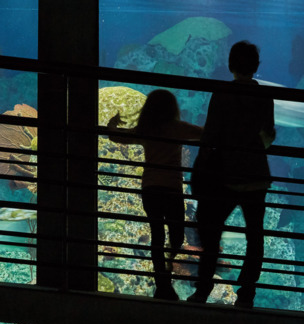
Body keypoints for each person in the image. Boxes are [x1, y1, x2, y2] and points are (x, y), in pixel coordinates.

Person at [189, 41, 276, 308]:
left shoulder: (222, 92)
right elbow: (268, 136)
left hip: (224, 176)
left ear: (230, 65)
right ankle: (246, 293)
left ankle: (203, 289)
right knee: (255, 237)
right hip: (256, 175)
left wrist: (199, 171)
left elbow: (210, 135)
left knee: (212, 233)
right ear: (256, 66)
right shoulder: (264, 95)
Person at [106, 89, 202, 301]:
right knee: (176, 236)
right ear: (172, 108)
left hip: (150, 189)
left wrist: (113, 122)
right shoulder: (178, 128)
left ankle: (163, 285)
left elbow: (116, 136)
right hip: (172, 189)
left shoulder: (145, 129)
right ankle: (166, 274)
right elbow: (205, 133)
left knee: (157, 236)